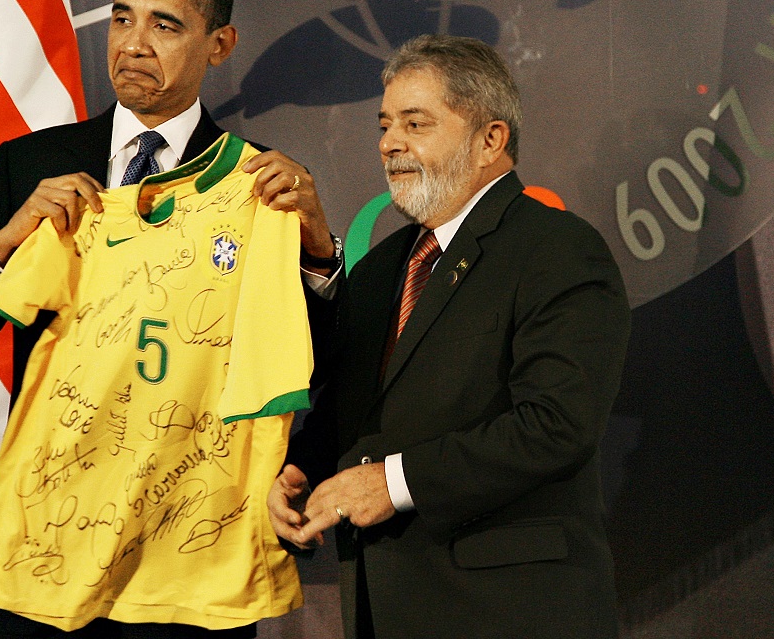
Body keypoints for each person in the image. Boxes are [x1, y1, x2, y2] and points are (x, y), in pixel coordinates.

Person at [0, 0, 334, 639]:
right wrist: (5, 240)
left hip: (187, 563)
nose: (133, 44)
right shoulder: (32, 166)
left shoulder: (262, 186)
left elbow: (322, 363)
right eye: (122, 18)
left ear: (219, 44)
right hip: (48, 552)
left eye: (164, 25)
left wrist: (316, 252)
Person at [267, 34, 632, 639]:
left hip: (509, 611)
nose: (389, 143)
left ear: (491, 139)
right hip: (387, 608)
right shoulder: (386, 265)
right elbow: (354, 408)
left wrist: (392, 482)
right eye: (385, 124)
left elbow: (557, 424)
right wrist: (301, 467)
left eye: (416, 123)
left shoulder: (559, 249)